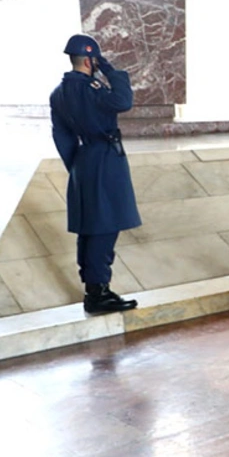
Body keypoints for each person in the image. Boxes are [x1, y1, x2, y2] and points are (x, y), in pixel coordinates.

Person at [49, 34, 141, 315]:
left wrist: (78, 166)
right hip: (105, 158)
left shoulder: (58, 93)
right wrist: (111, 71)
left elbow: (61, 136)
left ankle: (94, 289)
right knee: (105, 225)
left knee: (89, 227)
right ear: (91, 61)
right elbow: (123, 101)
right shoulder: (92, 88)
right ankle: (99, 292)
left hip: (83, 159)